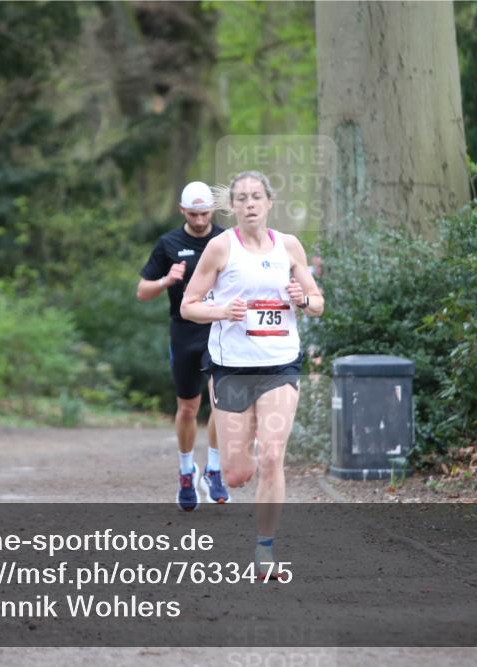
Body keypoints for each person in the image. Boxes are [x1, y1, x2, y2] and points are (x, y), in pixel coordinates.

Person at [180, 170, 324, 575]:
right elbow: (189, 306)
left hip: (279, 364)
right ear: (232, 207)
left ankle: (265, 550)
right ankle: (229, 457)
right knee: (237, 473)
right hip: (231, 369)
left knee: (273, 456)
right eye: (241, 198)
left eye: (256, 196)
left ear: (269, 202)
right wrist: (222, 311)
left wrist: (303, 299)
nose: (249, 204)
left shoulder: (289, 246)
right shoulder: (220, 248)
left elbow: (317, 302)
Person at [137, 181, 230, 510]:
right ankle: (186, 471)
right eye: (193, 214)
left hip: (218, 329)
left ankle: (214, 468)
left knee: (222, 403)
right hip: (184, 332)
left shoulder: (226, 241)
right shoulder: (169, 244)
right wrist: (167, 280)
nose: (200, 220)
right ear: (182, 211)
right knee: (188, 408)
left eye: (205, 213)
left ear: (212, 211)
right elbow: (142, 291)